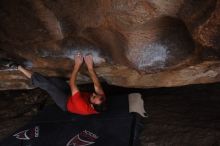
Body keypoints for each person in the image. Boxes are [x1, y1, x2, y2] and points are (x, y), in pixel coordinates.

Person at [1, 54, 107, 115]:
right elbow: (97, 85)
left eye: (93, 97)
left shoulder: (82, 106)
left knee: (48, 85)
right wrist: (90, 67)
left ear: (91, 105)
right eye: (96, 94)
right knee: (54, 81)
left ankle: (17, 66)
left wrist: (77, 64)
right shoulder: (101, 99)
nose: (93, 93)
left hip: (66, 103)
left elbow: (72, 83)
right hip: (71, 94)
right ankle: (39, 79)